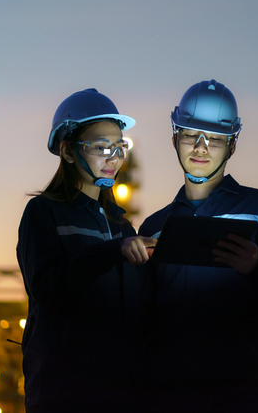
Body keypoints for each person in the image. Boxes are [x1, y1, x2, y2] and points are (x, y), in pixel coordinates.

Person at [138, 79, 258, 413]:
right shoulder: (155, 227)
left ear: (232, 145)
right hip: (168, 398)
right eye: (191, 134)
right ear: (175, 137)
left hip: (240, 395)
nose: (201, 148)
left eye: (215, 138)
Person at [16, 88, 155, 412]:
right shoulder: (44, 213)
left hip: (120, 393)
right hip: (64, 393)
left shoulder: (121, 225)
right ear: (66, 151)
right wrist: (112, 252)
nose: (114, 157)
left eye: (119, 147)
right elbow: (47, 288)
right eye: (100, 147)